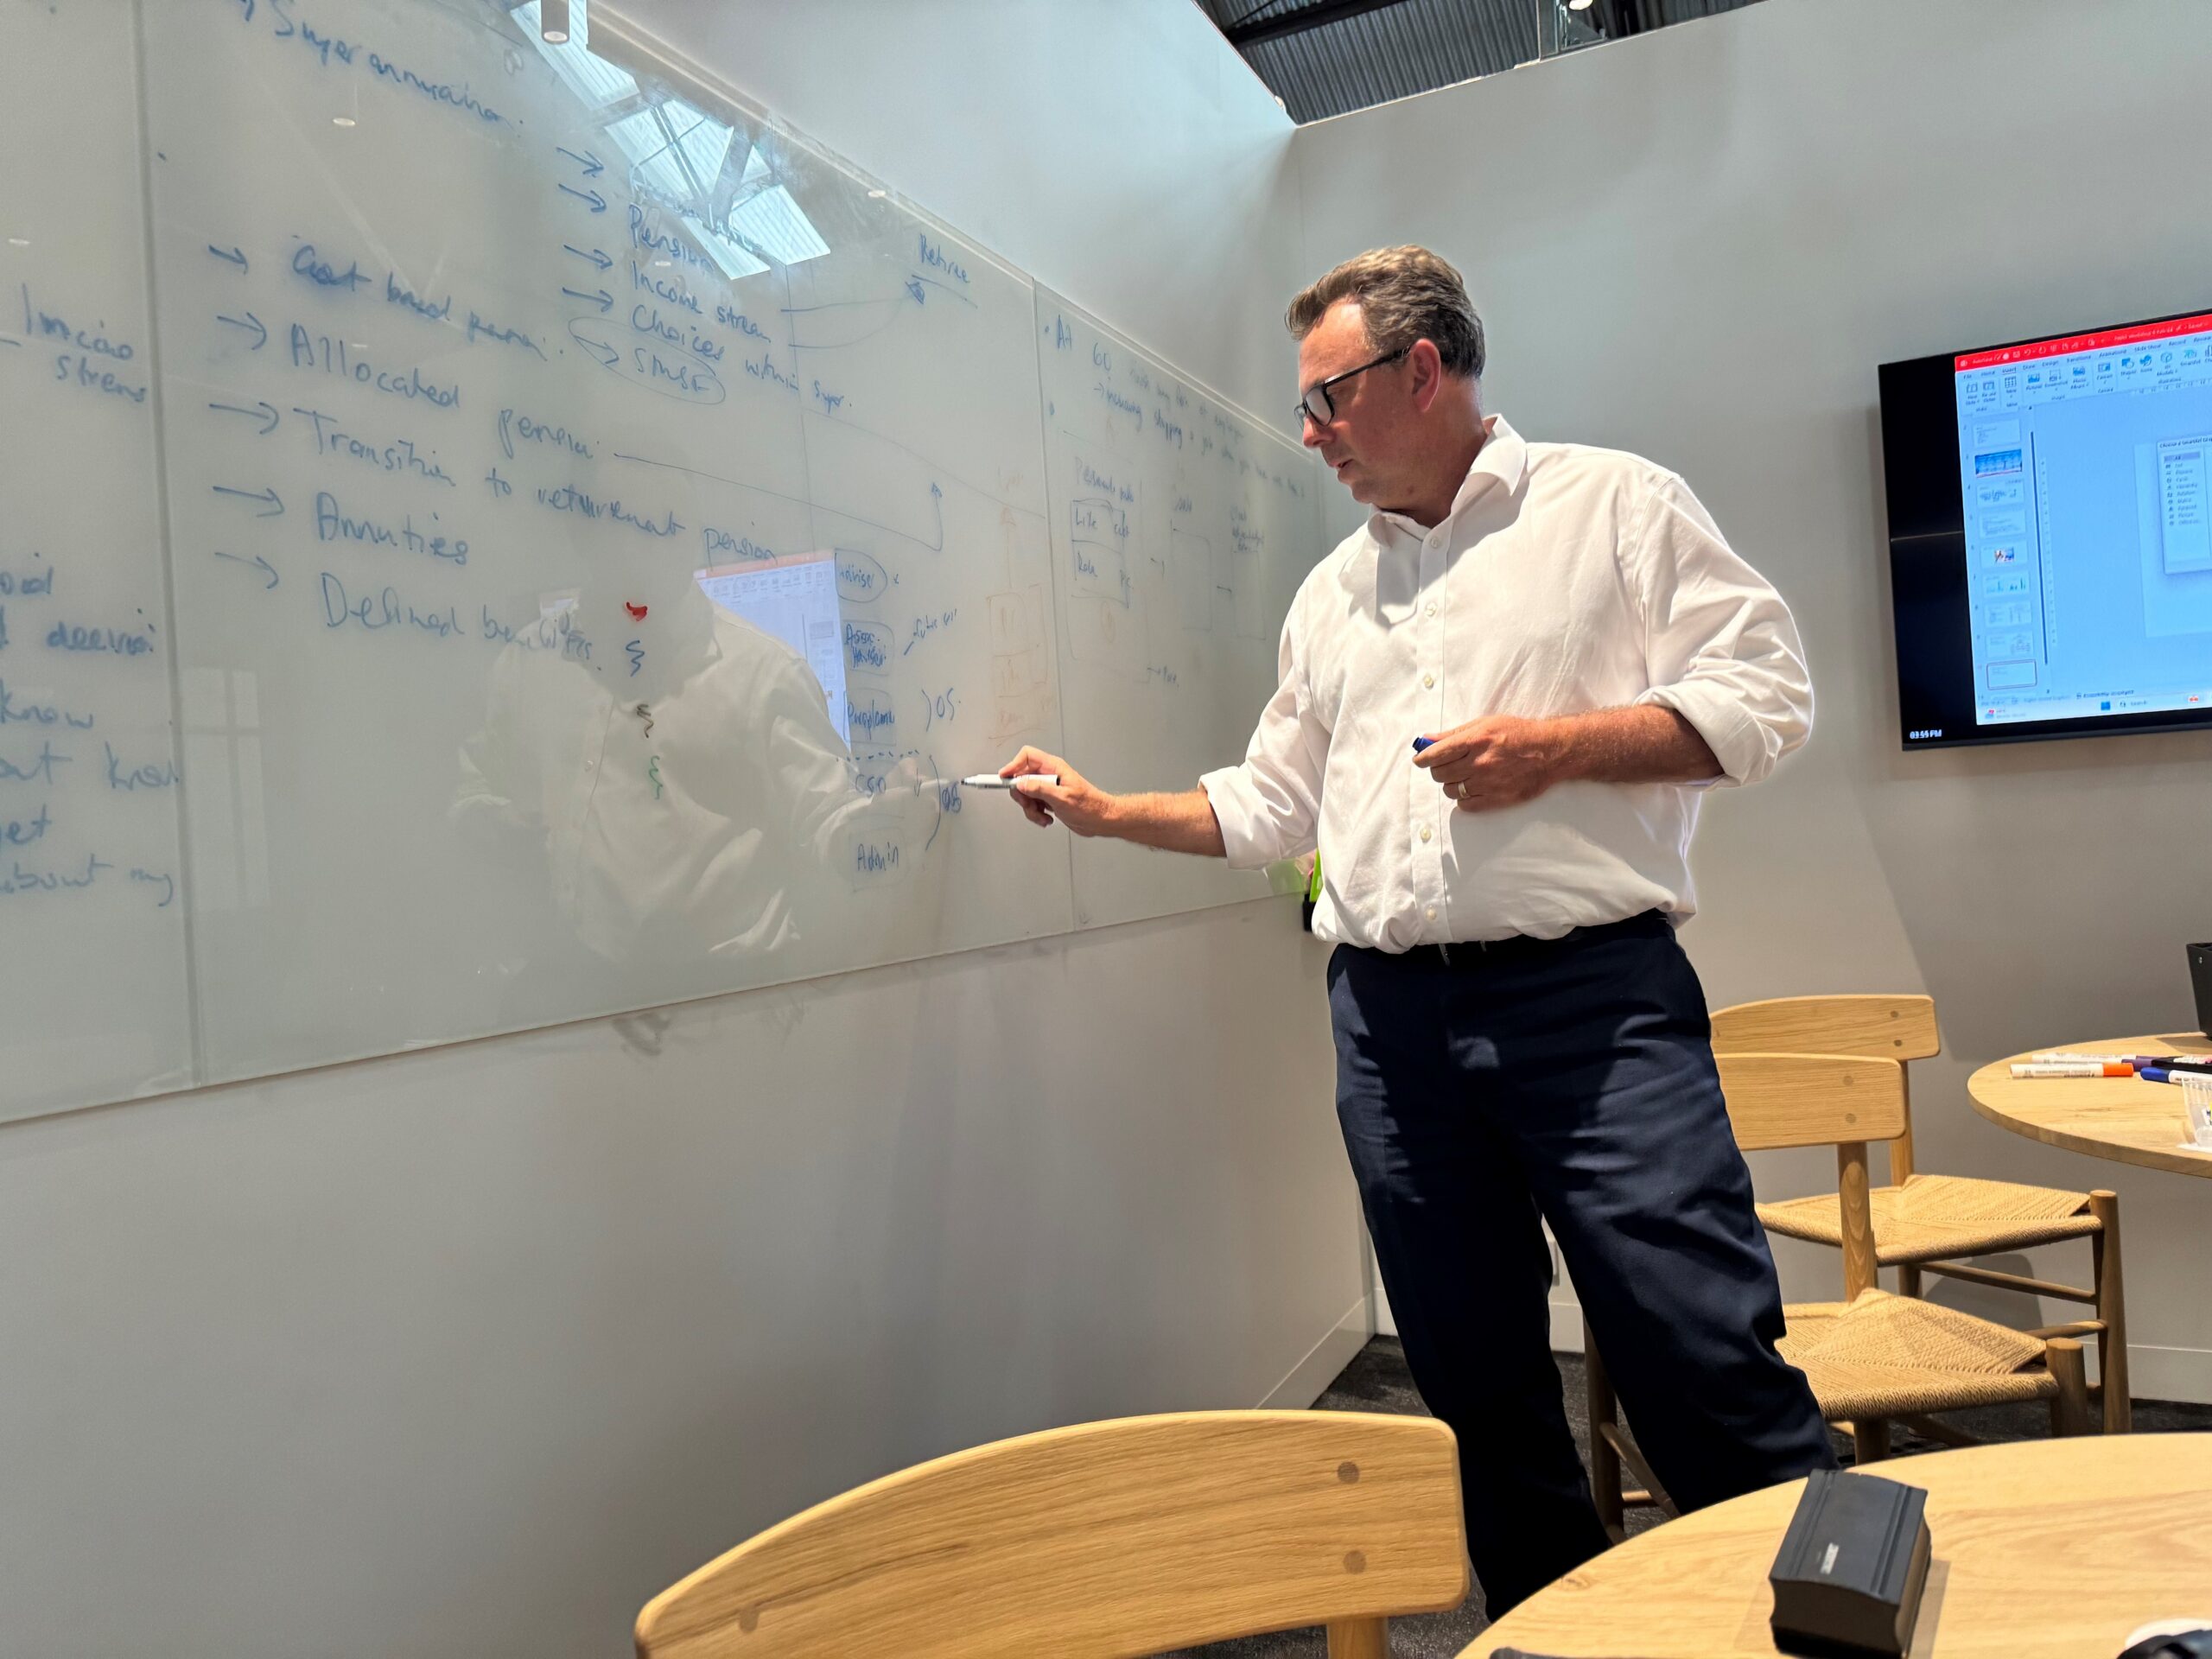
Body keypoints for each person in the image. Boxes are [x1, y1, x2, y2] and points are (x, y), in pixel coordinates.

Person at [996, 245, 1834, 1617]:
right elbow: (1272, 805)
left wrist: (1558, 748)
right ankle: (1556, 1635)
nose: (1309, 433)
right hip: (1390, 1030)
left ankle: (1831, 1625)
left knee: (1700, 1353)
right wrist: (1104, 813)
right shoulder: (1332, 594)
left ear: (1422, 369)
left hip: (1595, 1006)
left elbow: (1769, 694)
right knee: (1473, 1387)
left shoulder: (1614, 507)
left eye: (1325, 399)